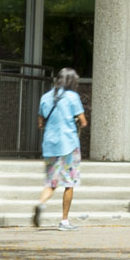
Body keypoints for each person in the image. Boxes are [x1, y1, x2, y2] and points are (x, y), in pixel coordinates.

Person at [33, 67, 86, 230]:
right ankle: (64, 221)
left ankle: (41, 203)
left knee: (52, 182)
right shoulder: (72, 97)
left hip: (50, 144)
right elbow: (83, 121)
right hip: (68, 145)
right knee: (69, 183)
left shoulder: (45, 97)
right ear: (71, 82)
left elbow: (40, 123)